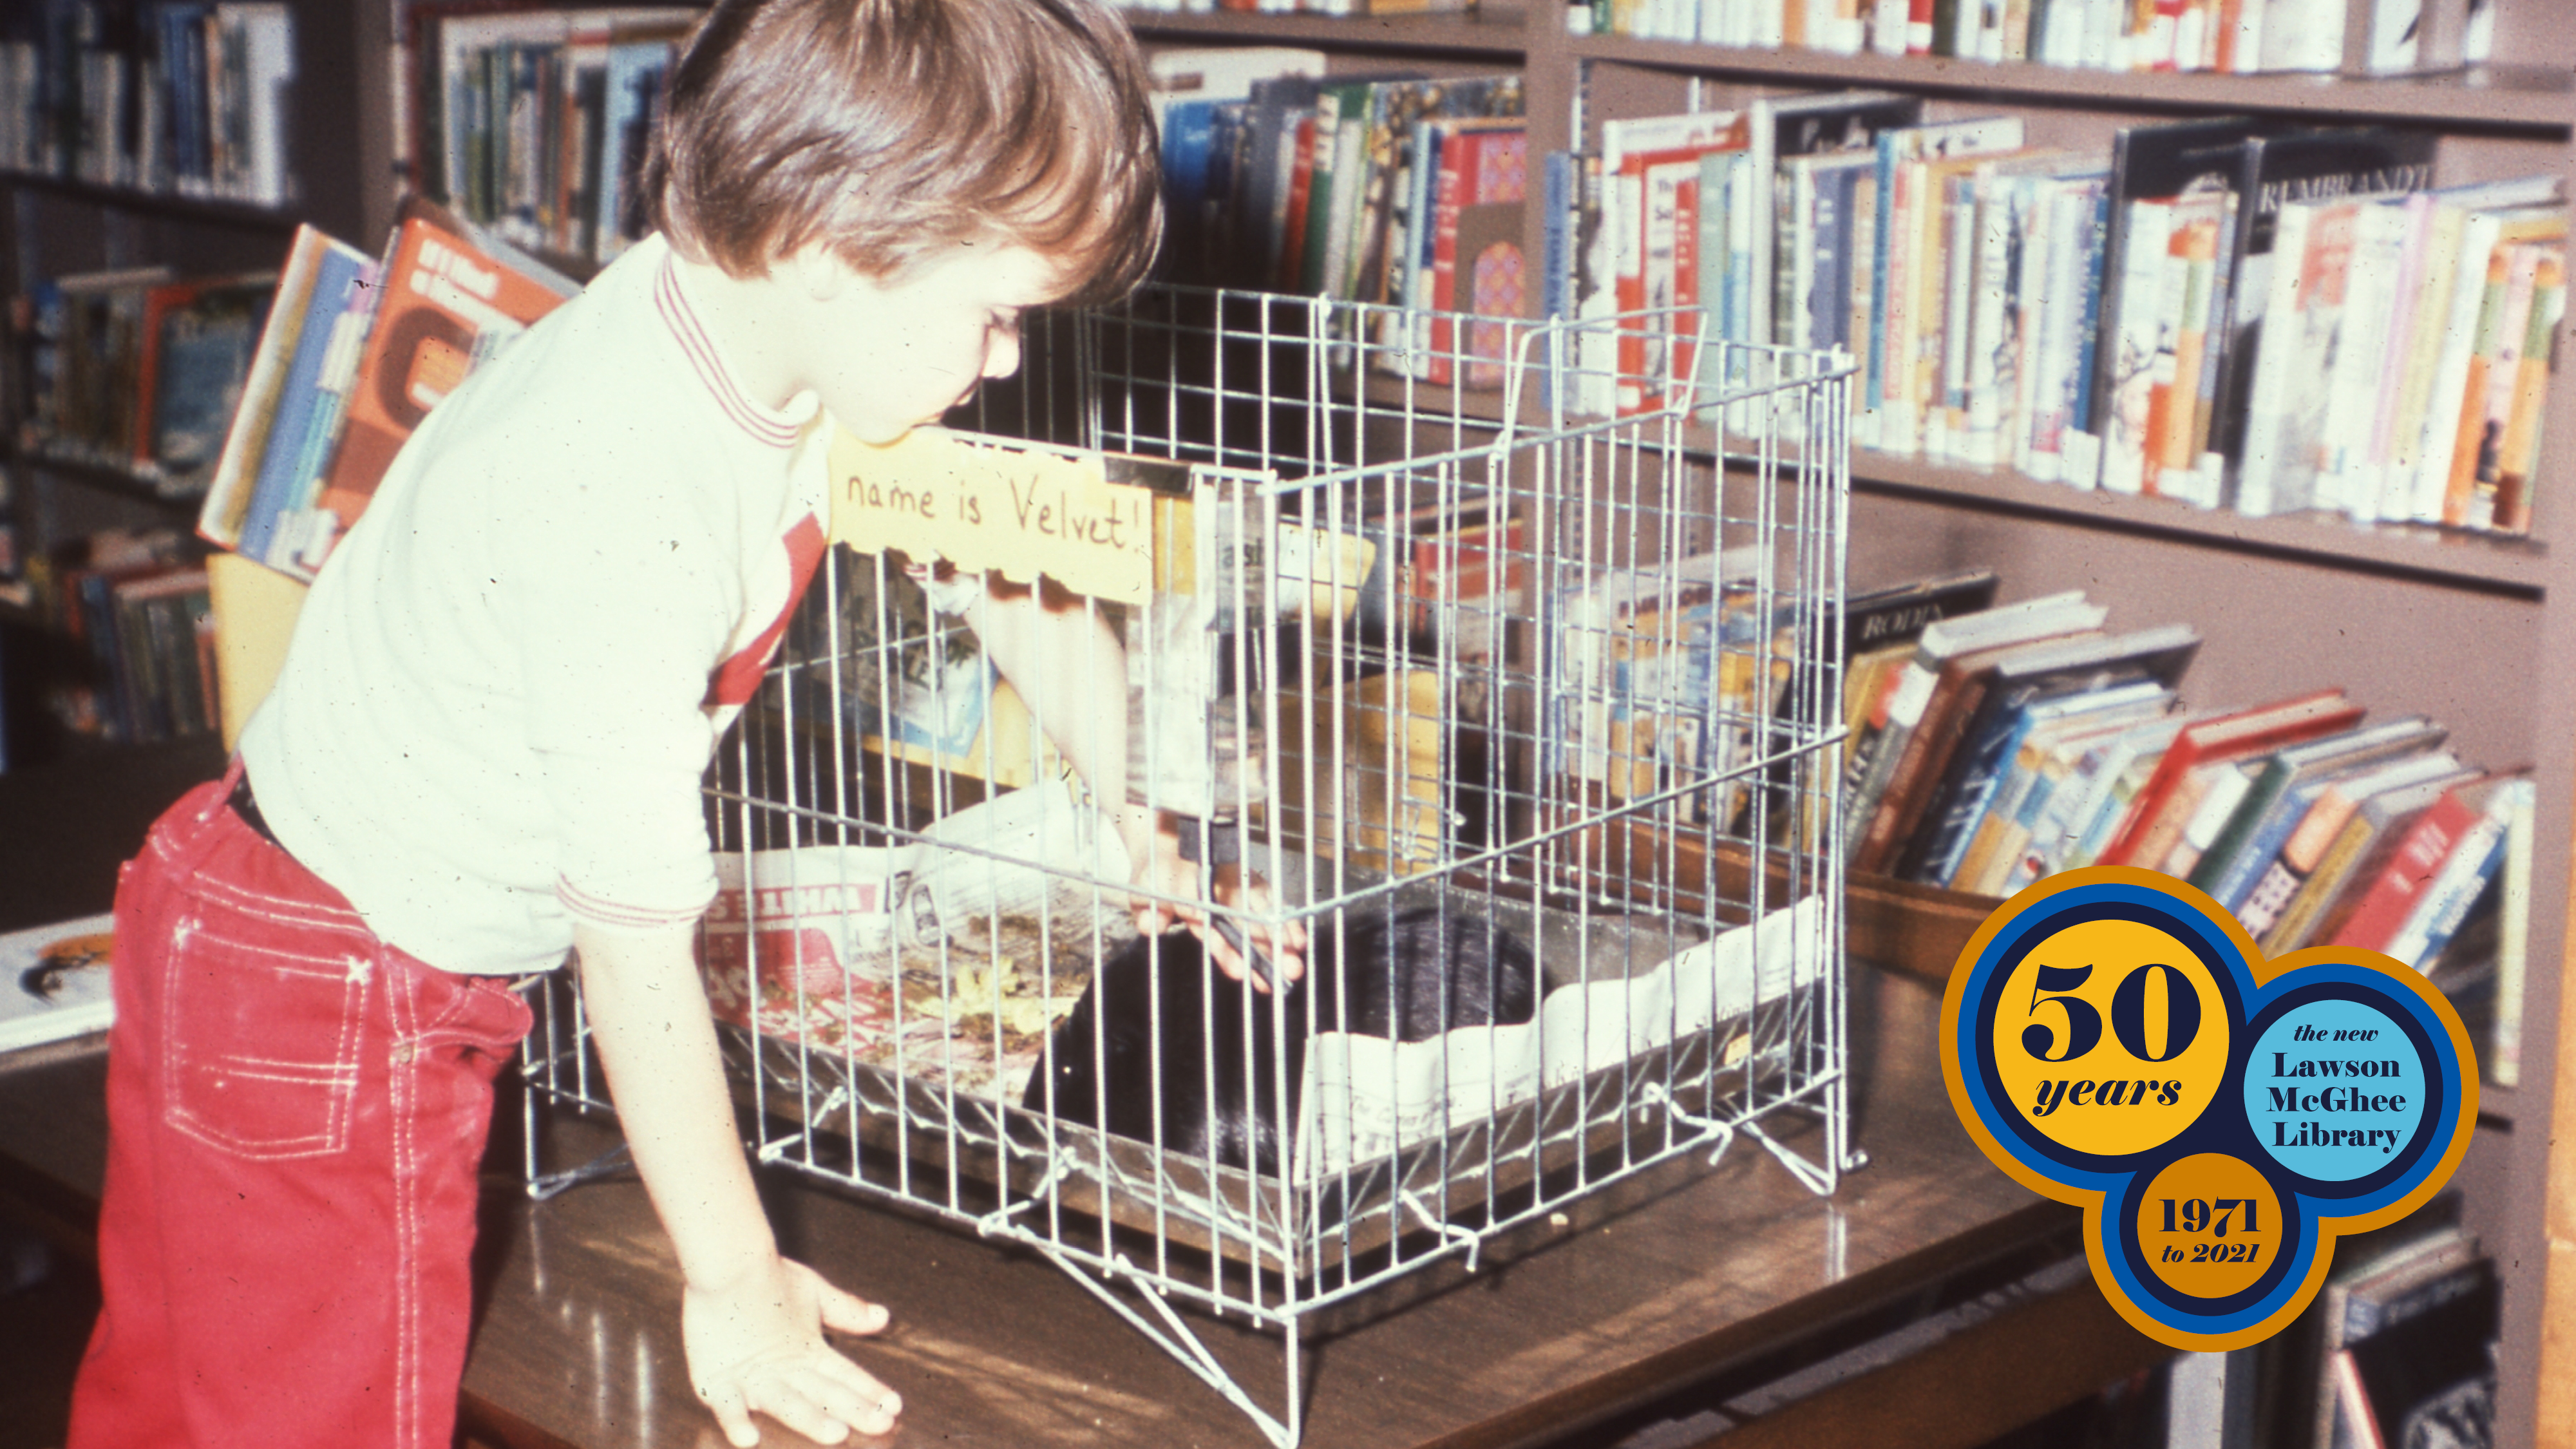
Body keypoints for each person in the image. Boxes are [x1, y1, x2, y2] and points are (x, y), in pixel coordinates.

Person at [66, 1, 1291, 1445]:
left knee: (178, 1396)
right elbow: (634, 949)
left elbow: (1005, 568)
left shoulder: (755, 312)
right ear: (832, 249)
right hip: (337, 987)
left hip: (267, 922)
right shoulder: (623, 490)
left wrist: (1148, 826)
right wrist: (733, 1277)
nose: (1009, 359)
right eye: (998, 311)